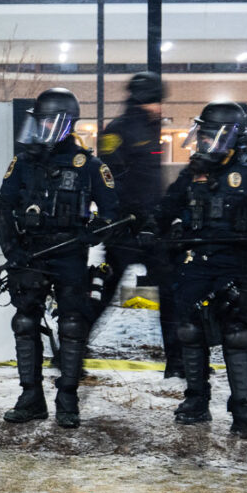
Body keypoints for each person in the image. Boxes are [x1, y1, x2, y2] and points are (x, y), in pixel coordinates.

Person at [140, 102, 247, 439]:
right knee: (190, 329)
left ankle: (242, 407)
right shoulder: (190, 175)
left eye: (212, 137)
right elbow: (166, 208)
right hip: (196, 262)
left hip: (237, 263)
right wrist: (152, 226)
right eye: (203, 136)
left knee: (236, 333)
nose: (205, 143)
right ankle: (196, 399)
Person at [0, 87, 120, 428]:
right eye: (38, 122)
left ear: (65, 124)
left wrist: (95, 231)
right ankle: (30, 397)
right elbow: (0, 208)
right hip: (30, 252)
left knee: (73, 325)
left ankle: (68, 399)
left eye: (47, 123)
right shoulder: (23, 162)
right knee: (25, 322)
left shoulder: (89, 165)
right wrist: (13, 251)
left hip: (70, 255)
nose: (39, 130)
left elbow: (112, 214)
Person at [95, 71, 181, 376]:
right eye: (156, 101)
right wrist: (128, 216)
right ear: (144, 100)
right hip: (126, 229)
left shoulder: (149, 127)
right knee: (104, 294)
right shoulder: (118, 131)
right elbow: (111, 179)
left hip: (153, 229)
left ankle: (177, 362)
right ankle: (72, 352)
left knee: (170, 294)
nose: (160, 107)